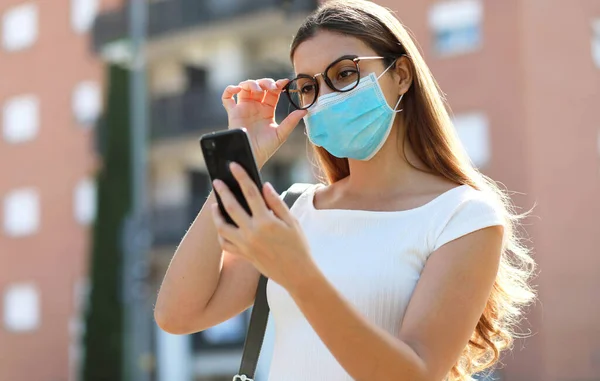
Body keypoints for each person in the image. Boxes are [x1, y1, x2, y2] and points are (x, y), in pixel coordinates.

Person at [154, 1, 536, 380]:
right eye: (308, 87)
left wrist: (299, 274)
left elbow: (416, 374)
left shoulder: (462, 216)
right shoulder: (295, 209)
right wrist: (241, 158)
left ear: (401, 74)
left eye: (344, 73)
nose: (327, 96)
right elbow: (178, 314)